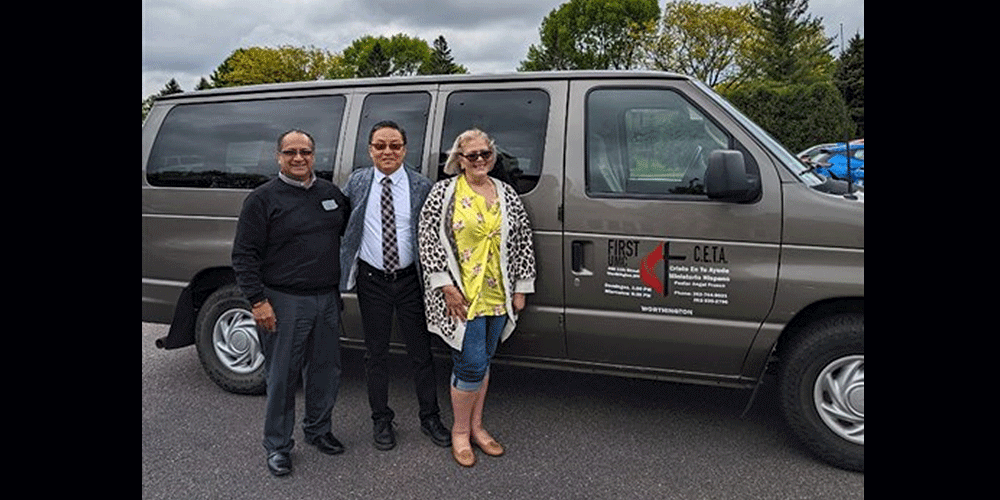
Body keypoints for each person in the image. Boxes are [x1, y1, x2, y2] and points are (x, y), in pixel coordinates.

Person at [232, 130, 350, 476]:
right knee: (283, 376)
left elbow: (348, 233)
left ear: (316, 155)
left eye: (306, 152)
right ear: (278, 156)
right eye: (291, 152)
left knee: (326, 371)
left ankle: (318, 430)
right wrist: (257, 301)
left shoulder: (331, 194)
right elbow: (244, 255)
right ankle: (278, 446)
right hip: (284, 301)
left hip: (326, 298)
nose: (299, 158)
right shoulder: (262, 199)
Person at [418, 129, 536, 467]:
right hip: (461, 296)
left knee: (483, 361)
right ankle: (459, 431)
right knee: (469, 363)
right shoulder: (444, 192)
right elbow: (428, 241)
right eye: (472, 155)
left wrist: (521, 288)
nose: (480, 159)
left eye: (486, 153)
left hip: (497, 293)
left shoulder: (506, 193)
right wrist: (446, 287)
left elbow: (523, 242)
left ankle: (477, 427)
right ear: (459, 160)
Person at [340, 121, 451, 451]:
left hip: (410, 281)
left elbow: (436, 233)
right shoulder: (358, 182)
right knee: (375, 354)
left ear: (405, 148)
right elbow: (336, 220)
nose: (387, 152)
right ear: (370, 149)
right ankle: (381, 420)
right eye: (380, 146)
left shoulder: (421, 185)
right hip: (372, 279)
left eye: (394, 146)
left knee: (421, 353)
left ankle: (430, 417)